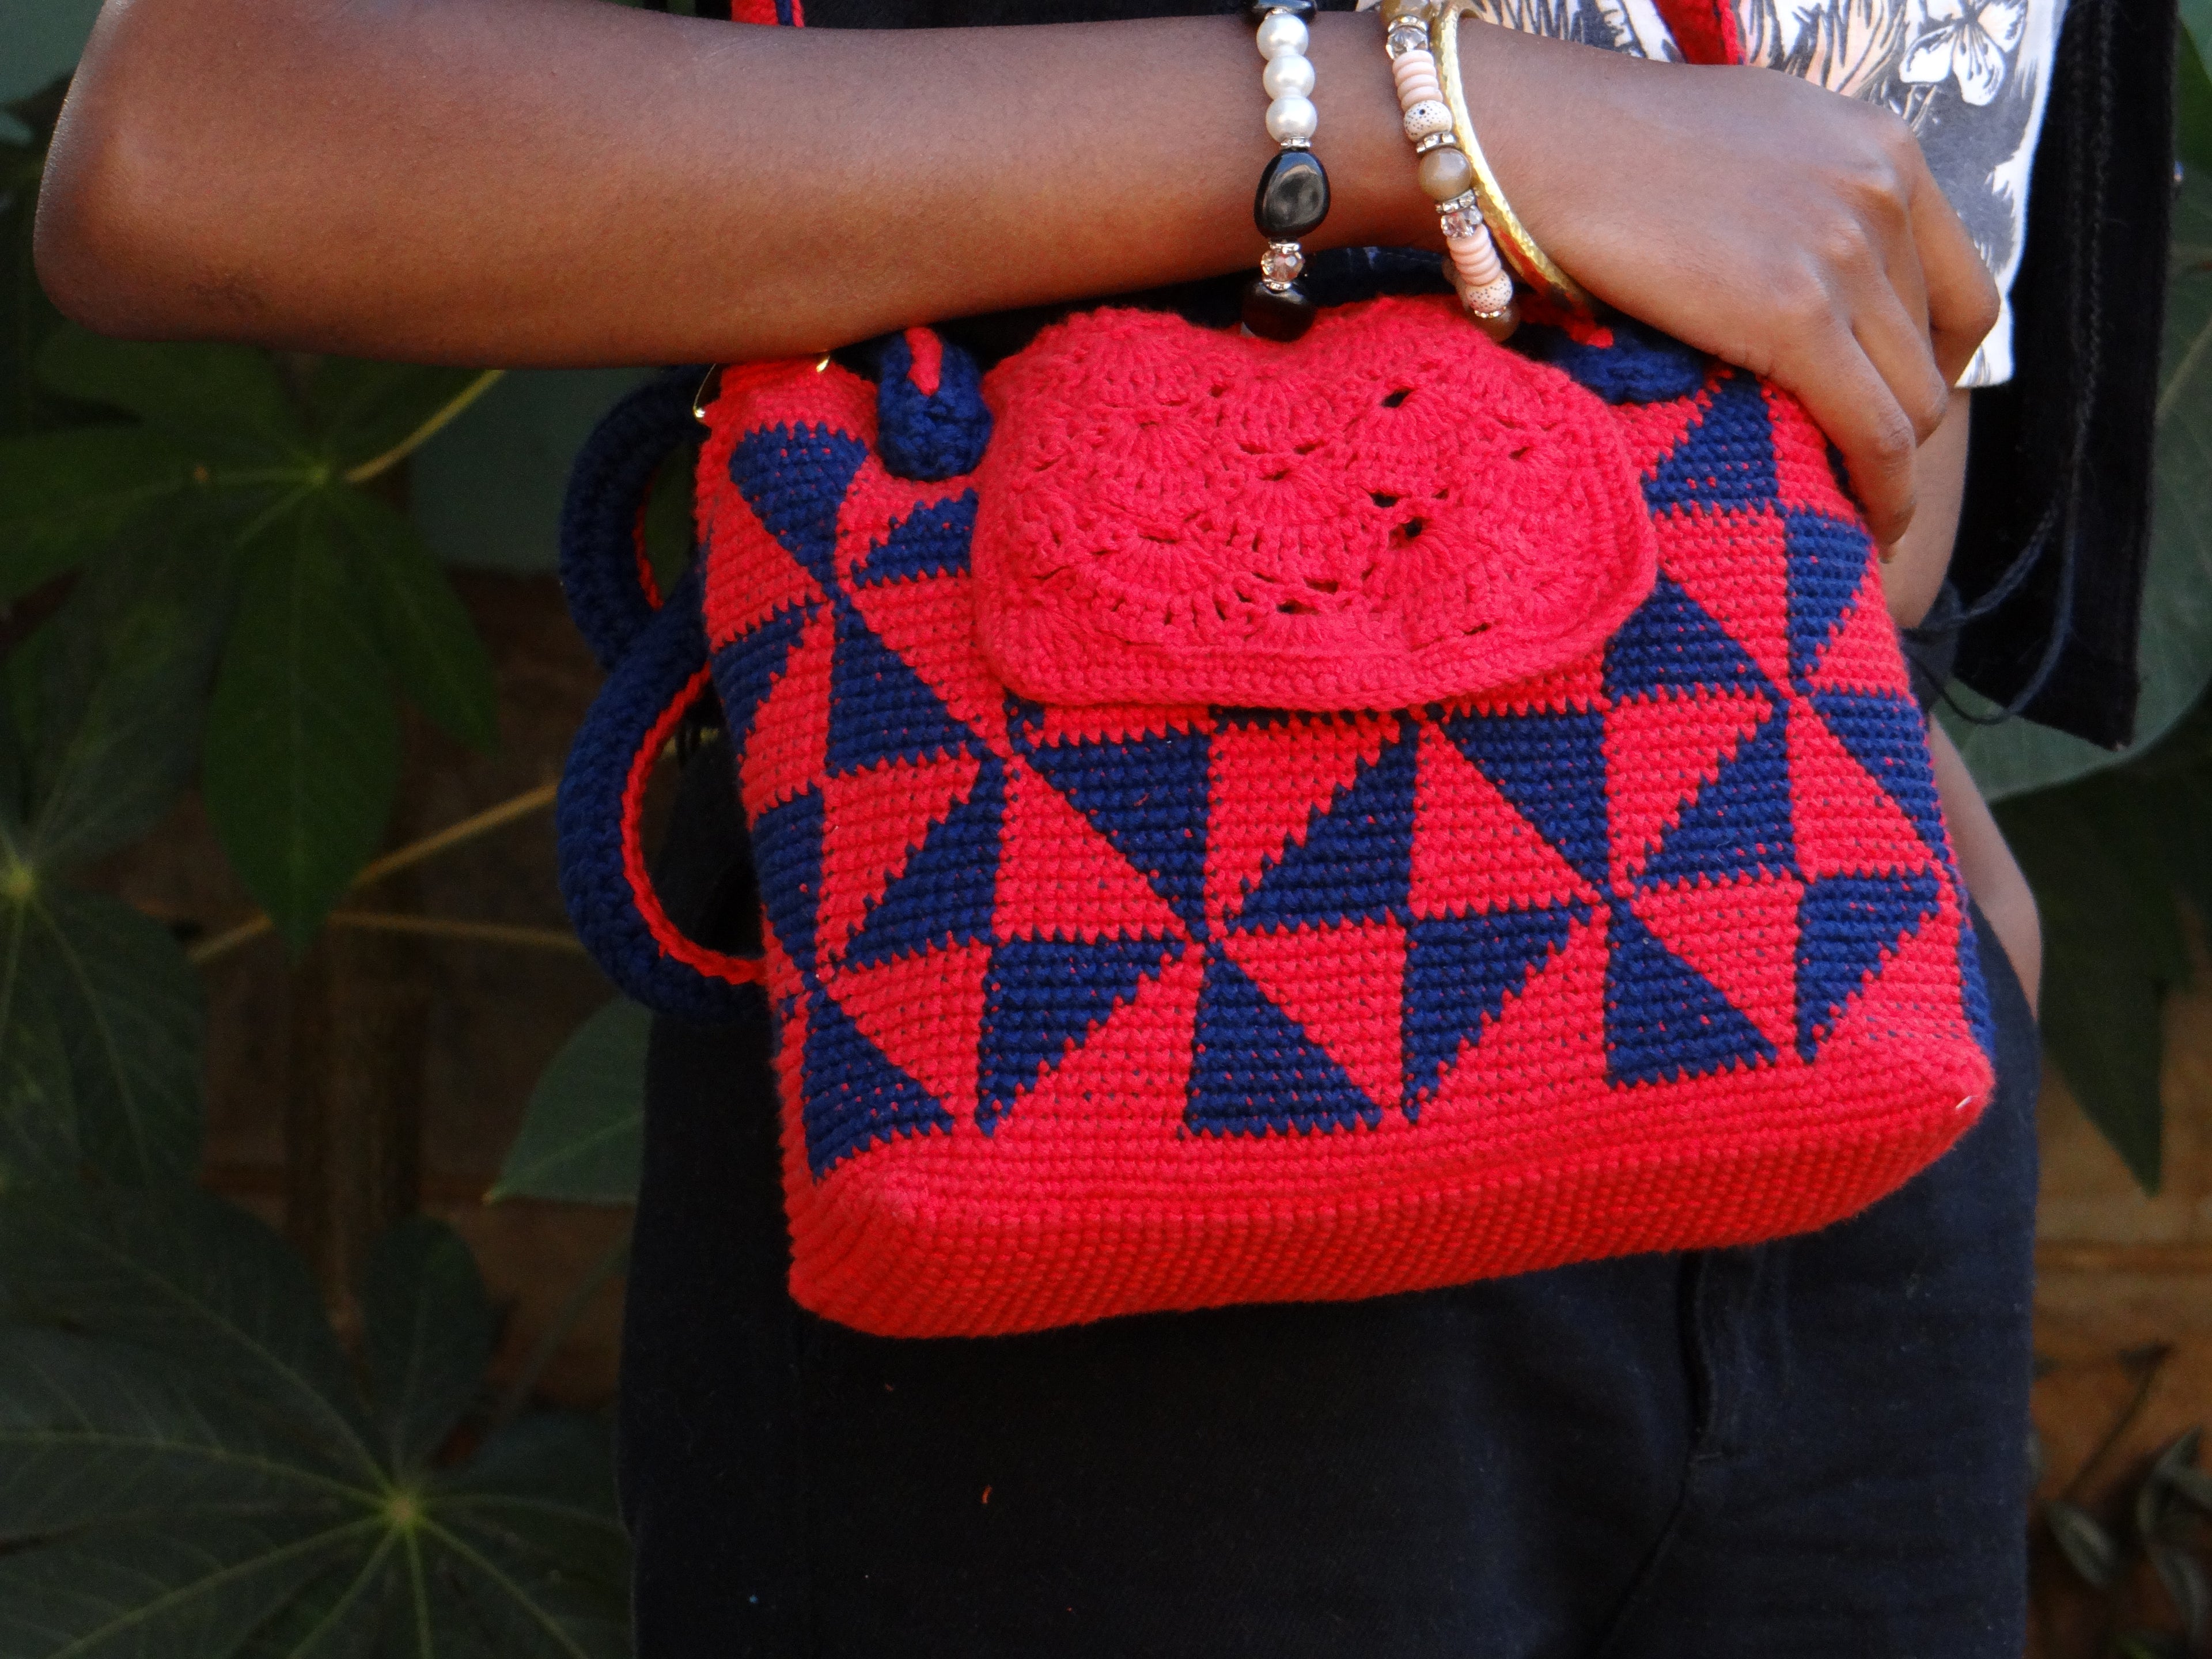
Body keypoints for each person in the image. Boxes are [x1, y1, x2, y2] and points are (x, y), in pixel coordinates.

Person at [32, 0, 2171, 1650]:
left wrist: (1904, 750)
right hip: (1121, 1125)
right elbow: (213, 133)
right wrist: (1421, 119)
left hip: (1822, 1042)